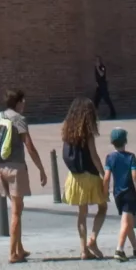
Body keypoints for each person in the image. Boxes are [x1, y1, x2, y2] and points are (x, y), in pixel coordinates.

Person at [0, 88, 48, 265]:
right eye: (23, 100)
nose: (25, 103)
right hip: (15, 169)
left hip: (0, 168)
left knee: (15, 207)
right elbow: (30, 147)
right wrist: (41, 169)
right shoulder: (19, 120)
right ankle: (12, 253)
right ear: (18, 102)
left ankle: (19, 248)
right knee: (16, 212)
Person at [57, 98, 107, 259]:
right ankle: (92, 239)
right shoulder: (88, 132)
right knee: (103, 207)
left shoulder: (67, 129)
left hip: (74, 177)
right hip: (90, 176)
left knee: (82, 214)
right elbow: (94, 155)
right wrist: (103, 173)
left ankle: (83, 250)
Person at [103, 126, 136, 261]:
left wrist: (105, 192)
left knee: (128, 221)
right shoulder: (130, 157)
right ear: (125, 141)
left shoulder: (109, 158)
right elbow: (135, 175)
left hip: (117, 193)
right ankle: (119, 249)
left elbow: (107, 177)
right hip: (129, 192)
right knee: (125, 222)